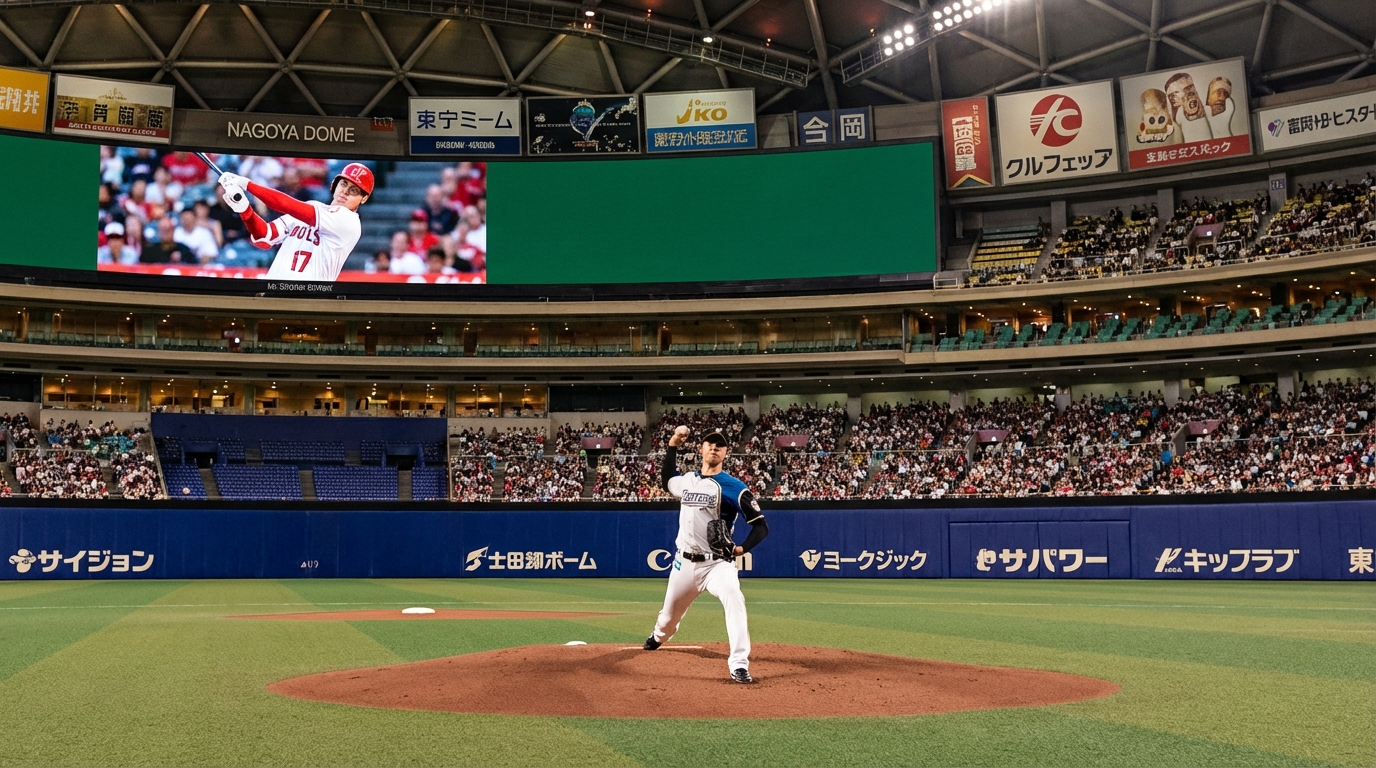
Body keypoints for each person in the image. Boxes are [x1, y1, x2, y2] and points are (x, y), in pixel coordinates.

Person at [644, 427, 769, 684]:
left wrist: (741, 548)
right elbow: (667, 480)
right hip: (683, 564)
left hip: (717, 564)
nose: (714, 448)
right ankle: (658, 636)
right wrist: (672, 445)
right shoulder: (687, 481)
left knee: (734, 598)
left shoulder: (734, 488)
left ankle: (739, 664)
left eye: (719, 446)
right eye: (709, 444)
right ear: (701, 449)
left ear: (725, 453)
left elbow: (761, 526)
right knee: (667, 621)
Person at [218, 162, 371, 282]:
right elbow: (264, 237)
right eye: (344, 184)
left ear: (363, 198)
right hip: (274, 290)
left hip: (308, 299)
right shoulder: (313, 206)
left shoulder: (349, 221)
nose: (345, 192)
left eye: (354, 190)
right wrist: (245, 210)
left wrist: (247, 184)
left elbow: (285, 205)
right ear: (335, 184)